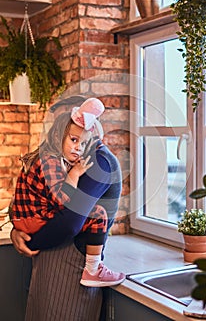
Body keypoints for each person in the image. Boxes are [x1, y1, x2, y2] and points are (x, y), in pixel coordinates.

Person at [10, 96, 125, 321]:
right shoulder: (69, 160)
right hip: (56, 260)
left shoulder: (98, 161)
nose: (76, 145)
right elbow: (42, 201)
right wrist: (19, 231)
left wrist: (29, 241)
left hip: (71, 266)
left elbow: (69, 223)